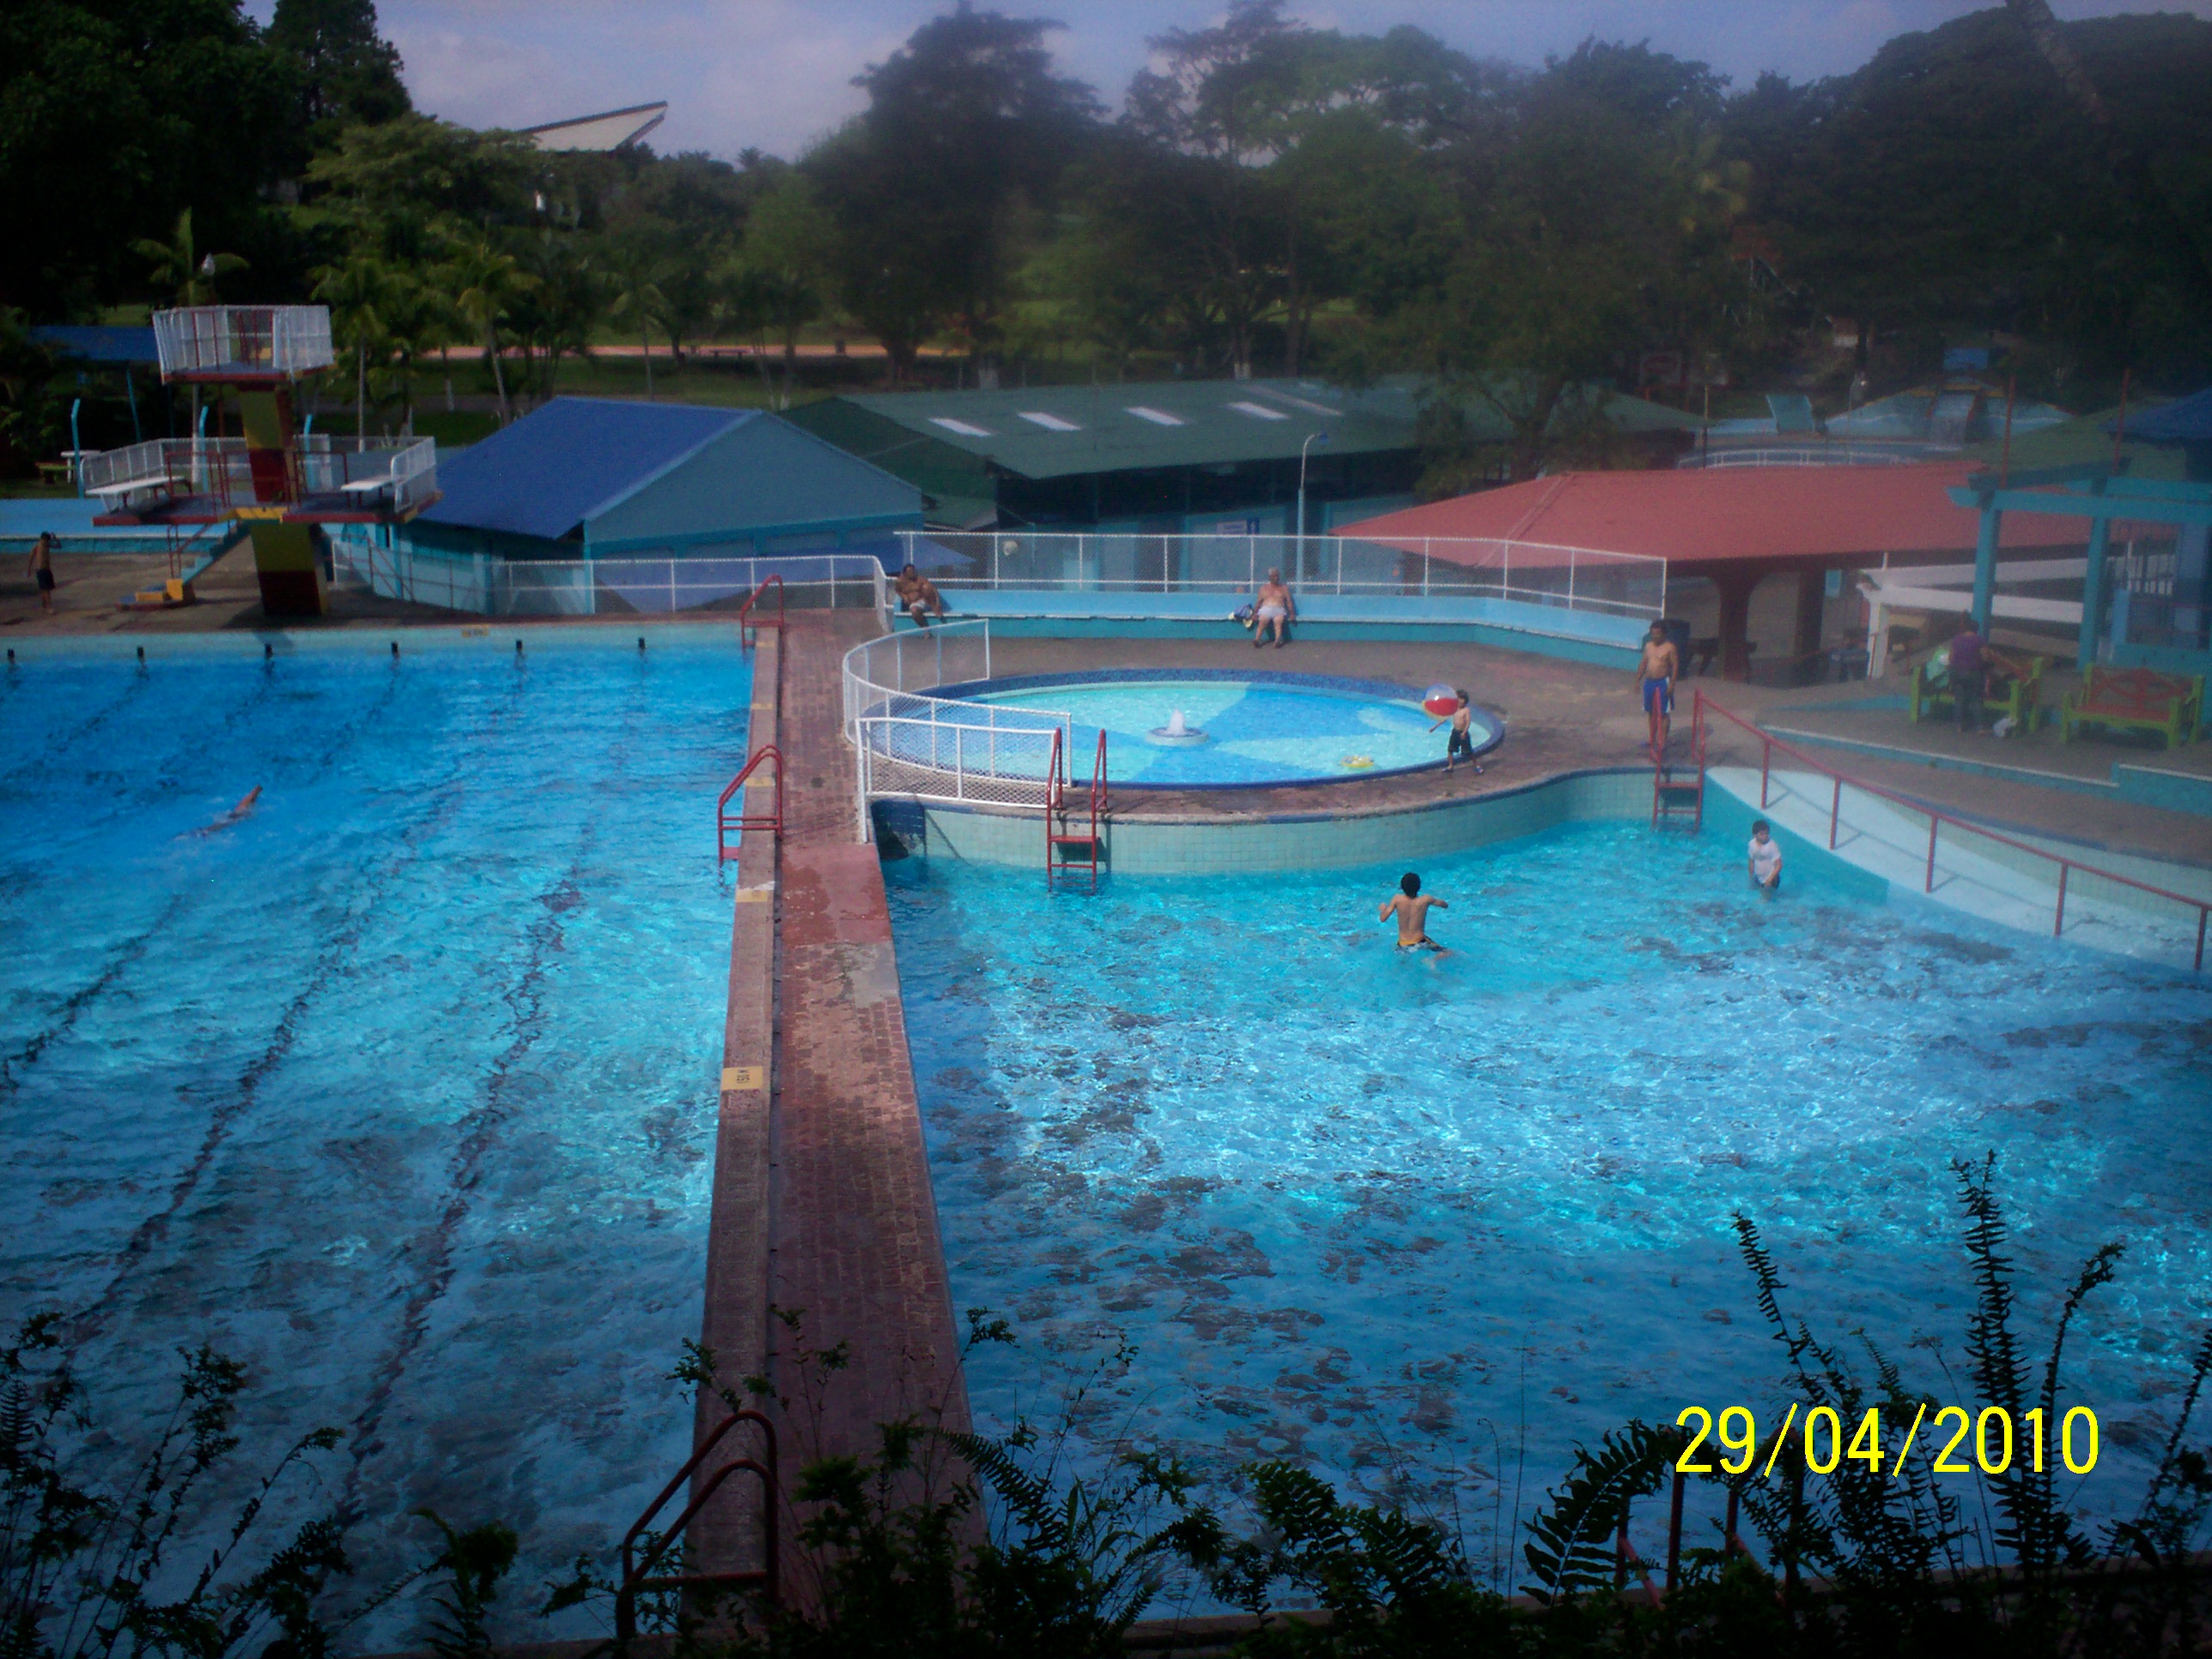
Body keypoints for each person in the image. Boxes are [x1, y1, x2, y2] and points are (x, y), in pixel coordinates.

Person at [1634, 621, 1679, 761]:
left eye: (1658, 634)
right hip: (1650, 682)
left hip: (1663, 681)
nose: (1655, 637)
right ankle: (1652, 739)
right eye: (1653, 634)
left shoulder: (1669, 647)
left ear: (1664, 634)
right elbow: (1643, 663)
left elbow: (1675, 666)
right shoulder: (1648, 646)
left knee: (1663, 713)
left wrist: (1672, 684)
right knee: (1650, 711)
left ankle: (1662, 741)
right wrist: (1637, 680)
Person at [1379, 871, 1449, 955]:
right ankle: (1431, 962)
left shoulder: (1397, 899)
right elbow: (1445, 905)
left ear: (1402, 887)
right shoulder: (1425, 899)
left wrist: (1383, 909)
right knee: (1448, 952)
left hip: (1402, 945)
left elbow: (1383, 919)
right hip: (1420, 942)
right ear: (1419, 886)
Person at [1429, 688, 1483, 775]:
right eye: (1458, 699)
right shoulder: (1454, 709)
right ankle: (1450, 766)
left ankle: (1476, 765)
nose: (1460, 701)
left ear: (1465, 701)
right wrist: (1435, 727)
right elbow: (1445, 718)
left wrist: (1464, 732)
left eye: (1462, 699)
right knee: (1450, 749)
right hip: (1455, 732)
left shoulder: (1466, 710)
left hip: (1463, 733)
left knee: (1468, 752)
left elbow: (1468, 722)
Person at [1948, 615, 1985, 733]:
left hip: (1957, 673)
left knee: (1959, 699)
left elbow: (1951, 657)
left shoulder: (1957, 639)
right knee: (1976, 699)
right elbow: (1985, 656)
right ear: (1976, 629)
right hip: (1973, 673)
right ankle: (1979, 727)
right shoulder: (1979, 640)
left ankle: (1959, 726)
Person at [1251, 568, 1295, 647]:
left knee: (1278, 621)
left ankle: (1277, 640)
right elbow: (1259, 602)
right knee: (1263, 621)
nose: (1276, 578)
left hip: (1279, 609)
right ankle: (1257, 639)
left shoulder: (1284, 588)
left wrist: (1292, 614)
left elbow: (1289, 601)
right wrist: (1255, 614)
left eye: (1277, 576)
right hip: (1266, 609)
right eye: (1274, 576)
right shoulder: (1264, 588)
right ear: (1270, 577)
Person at [895, 562, 946, 628]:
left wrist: (937, 602)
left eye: (914, 571)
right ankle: (924, 627)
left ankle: (935, 608)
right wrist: (904, 596)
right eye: (910, 571)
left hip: (924, 601)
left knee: (927, 587)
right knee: (914, 612)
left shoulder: (920, 579)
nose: (913, 573)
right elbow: (897, 591)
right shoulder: (900, 582)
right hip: (914, 603)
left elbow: (933, 589)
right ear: (905, 573)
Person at [1747, 818, 1783, 894]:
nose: (1765, 836)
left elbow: (1779, 865)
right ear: (1755, 835)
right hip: (1758, 877)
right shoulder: (1752, 844)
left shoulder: (1772, 846)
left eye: (1766, 833)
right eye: (1762, 834)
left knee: (1765, 900)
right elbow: (1751, 860)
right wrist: (1750, 875)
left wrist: (1769, 880)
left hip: (1771, 879)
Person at [27, 532, 55, 614]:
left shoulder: (47, 545)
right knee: (46, 589)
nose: (46, 542)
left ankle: (44, 604)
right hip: (41, 569)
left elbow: (59, 546)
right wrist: (29, 569)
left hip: (47, 569)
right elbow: (31, 557)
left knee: (45, 588)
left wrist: (55, 538)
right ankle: (49, 607)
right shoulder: (37, 546)